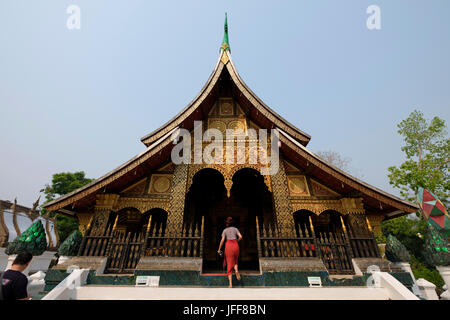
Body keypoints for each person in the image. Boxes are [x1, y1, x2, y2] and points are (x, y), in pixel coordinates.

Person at [217, 217, 243, 288]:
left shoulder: (225, 230)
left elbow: (222, 240)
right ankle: (236, 270)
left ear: (227, 223)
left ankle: (230, 284)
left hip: (228, 246)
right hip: (235, 245)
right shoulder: (235, 229)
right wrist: (236, 241)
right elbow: (240, 237)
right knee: (235, 261)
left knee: (229, 263)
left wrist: (219, 249)